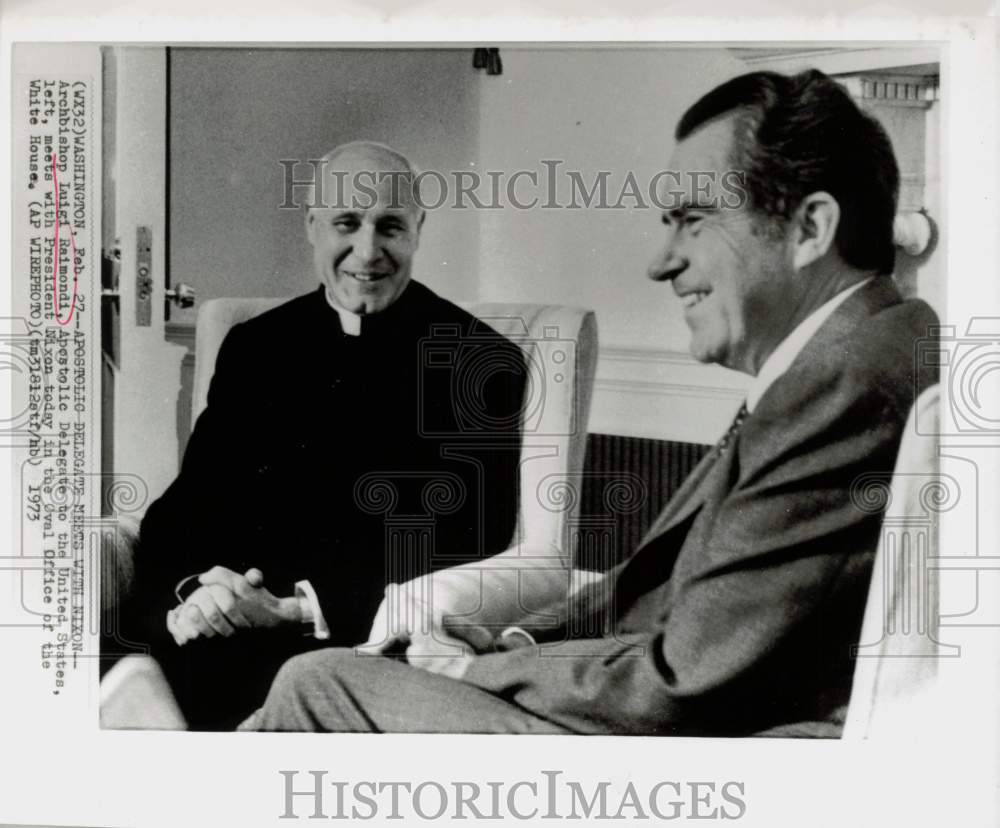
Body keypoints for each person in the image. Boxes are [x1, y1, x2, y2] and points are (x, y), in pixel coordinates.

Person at [247, 70, 940, 736]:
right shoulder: (856, 355)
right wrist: (515, 639)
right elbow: (656, 586)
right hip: (650, 705)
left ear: (810, 229)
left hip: (688, 754)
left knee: (319, 683)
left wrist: (477, 670)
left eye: (693, 219)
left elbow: (683, 681)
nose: (661, 262)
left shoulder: (845, 385)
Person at [121, 141, 527, 730]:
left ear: (419, 229)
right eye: (347, 222)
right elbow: (190, 505)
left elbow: (469, 540)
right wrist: (194, 593)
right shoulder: (256, 346)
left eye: (390, 225)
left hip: (360, 646)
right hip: (223, 630)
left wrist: (294, 608)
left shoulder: (480, 360)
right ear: (312, 227)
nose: (368, 250)